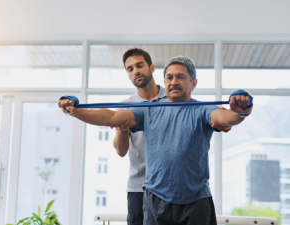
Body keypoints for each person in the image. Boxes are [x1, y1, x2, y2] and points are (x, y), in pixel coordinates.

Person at [58, 56, 252, 225]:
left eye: (180, 77)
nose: (174, 81)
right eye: (169, 77)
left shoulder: (203, 110)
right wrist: (76, 111)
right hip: (156, 200)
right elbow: (110, 116)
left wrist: (242, 111)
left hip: (195, 201)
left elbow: (226, 118)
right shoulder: (149, 109)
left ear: (193, 83)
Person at [111, 48, 231, 225]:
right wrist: (122, 128)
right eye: (130, 69)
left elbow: (216, 120)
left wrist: (227, 120)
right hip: (140, 187)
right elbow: (121, 151)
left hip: (181, 189)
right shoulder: (126, 106)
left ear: (152, 68)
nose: (135, 71)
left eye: (139, 65)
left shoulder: (173, 95)